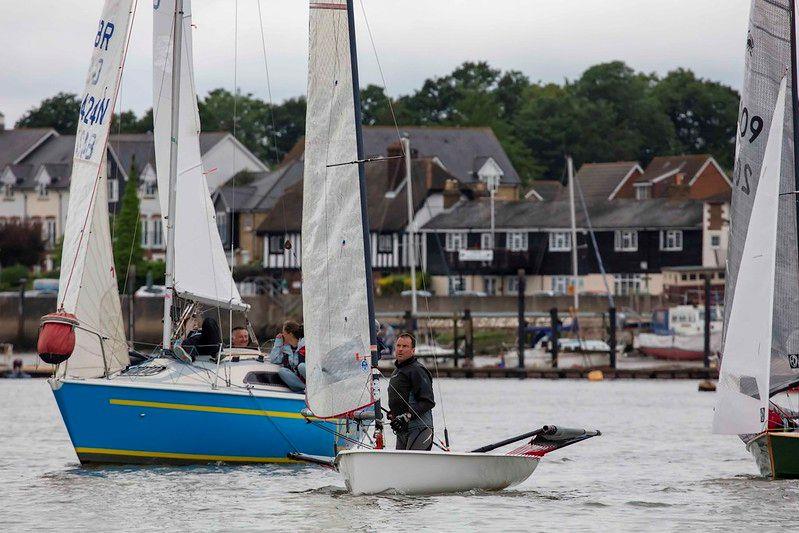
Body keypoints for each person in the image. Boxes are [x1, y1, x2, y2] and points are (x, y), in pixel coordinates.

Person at [387, 332, 435, 450]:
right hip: (401, 430)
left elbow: (428, 402)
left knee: (413, 466)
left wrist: (407, 415)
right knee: (400, 467)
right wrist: (393, 413)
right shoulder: (396, 372)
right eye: (398, 346)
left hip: (419, 429)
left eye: (405, 346)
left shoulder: (417, 370)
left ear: (413, 350)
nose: (400, 349)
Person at [270, 320, 306, 393]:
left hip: (310, 379)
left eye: (284, 332)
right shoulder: (285, 349)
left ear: (290, 334)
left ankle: (311, 388)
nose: (282, 334)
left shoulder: (304, 345)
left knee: (301, 366)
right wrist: (278, 343)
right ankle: (304, 389)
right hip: (301, 383)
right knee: (282, 371)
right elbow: (274, 359)